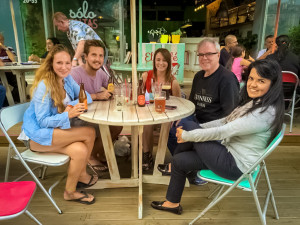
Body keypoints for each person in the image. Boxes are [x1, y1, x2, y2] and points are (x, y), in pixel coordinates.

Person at [151, 59, 285, 215]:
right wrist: (198, 129)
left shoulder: (264, 114)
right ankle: (172, 203)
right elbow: (225, 121)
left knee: (187, 126)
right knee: (179, 160)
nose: (253, 84)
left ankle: (174, 165)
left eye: (261, 81)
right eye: (251, 78)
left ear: (273, 84)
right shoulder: (256, 103)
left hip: (235, 164)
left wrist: (189, 135)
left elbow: (224, 131)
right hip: (228, 151)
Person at [18, 44, 97, 204]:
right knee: (89, 132)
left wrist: (73, 105)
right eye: (59, 63)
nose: (64, 67)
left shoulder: (66, 79)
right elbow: (42, 121)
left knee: (80, 150)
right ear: (51, 64)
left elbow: (87, 97)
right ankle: (81, 175)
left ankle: (70, 191)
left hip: (53, 133)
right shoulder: (44, 86)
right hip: (36, 136)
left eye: (67, 63)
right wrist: (67, 114)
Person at [163, 38, 239, 185]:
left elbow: (231, 116)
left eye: (209, 54)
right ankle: (189, 168)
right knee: (171, 128)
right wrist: (182, 117)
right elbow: (192, 104)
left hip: (215, 129)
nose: (204, 58)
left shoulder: (227, 79)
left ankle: (193, 168)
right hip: (197, 121)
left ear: (218, 55)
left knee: (187, 132)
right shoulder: (198, 76)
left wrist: (199, 128)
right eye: (201, 54)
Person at [70, 39, 122, 174]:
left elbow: (111, 88)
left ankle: (100, 152)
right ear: (85, 57)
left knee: (117, 126)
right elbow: (71, 101)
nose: (98, 59)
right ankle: (91, 156)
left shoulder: (101, 73)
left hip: (93, 114)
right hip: (75, 118)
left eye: (100, 56)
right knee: (101, 127)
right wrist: (96, 96)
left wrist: (116, 91)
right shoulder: (74, 74)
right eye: (94, 55)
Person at [141, 48, 181, 170]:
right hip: (149, 112)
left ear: (169, 63)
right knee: (146, 123)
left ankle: (160, 156)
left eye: (164, 60)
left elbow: (179, 103)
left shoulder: (173, 82)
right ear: (154, 61)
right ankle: (146, 155)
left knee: (165, 125)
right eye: (158, 60)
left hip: (166, 115)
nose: (161, 63)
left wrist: (176, 119)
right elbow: (140, 96)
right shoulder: (145, 76)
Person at [0, 32, 20, 103]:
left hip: (9, 72)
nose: (1, 42)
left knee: (21, 83)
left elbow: (14, 60)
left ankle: (9, 102)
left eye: (2, 40)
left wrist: (5, 49)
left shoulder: (9, 49)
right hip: (0, 74)